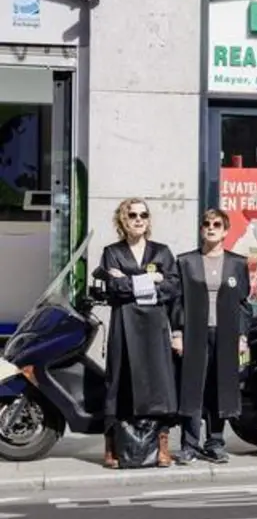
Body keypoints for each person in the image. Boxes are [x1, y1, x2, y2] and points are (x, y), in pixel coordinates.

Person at [93, 198, 181, 469]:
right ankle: (113, 447)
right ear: (123, 220)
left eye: (144, 214)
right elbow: (113, 288)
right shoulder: (112, 252)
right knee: (119, 381)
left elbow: (172, 288)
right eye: (132, 215)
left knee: (159, 383)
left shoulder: (162, 251)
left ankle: (161, 445)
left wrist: (129, 280)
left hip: (155, 325)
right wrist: (149, 279)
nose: (138, 219)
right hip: (125, 324)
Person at [171, 208, 251, 464]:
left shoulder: (237, 263)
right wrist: (177, 332)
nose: (211, 228)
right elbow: (177, 301)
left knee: (221, 388)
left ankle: (215, 442)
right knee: (192, 388)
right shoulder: (186, 261)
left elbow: (243, 303)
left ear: (226, 231)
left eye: (217, 224)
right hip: (195, 332)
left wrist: (242, 335)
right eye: (206, 223)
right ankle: (189, 444)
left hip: (226, 333)